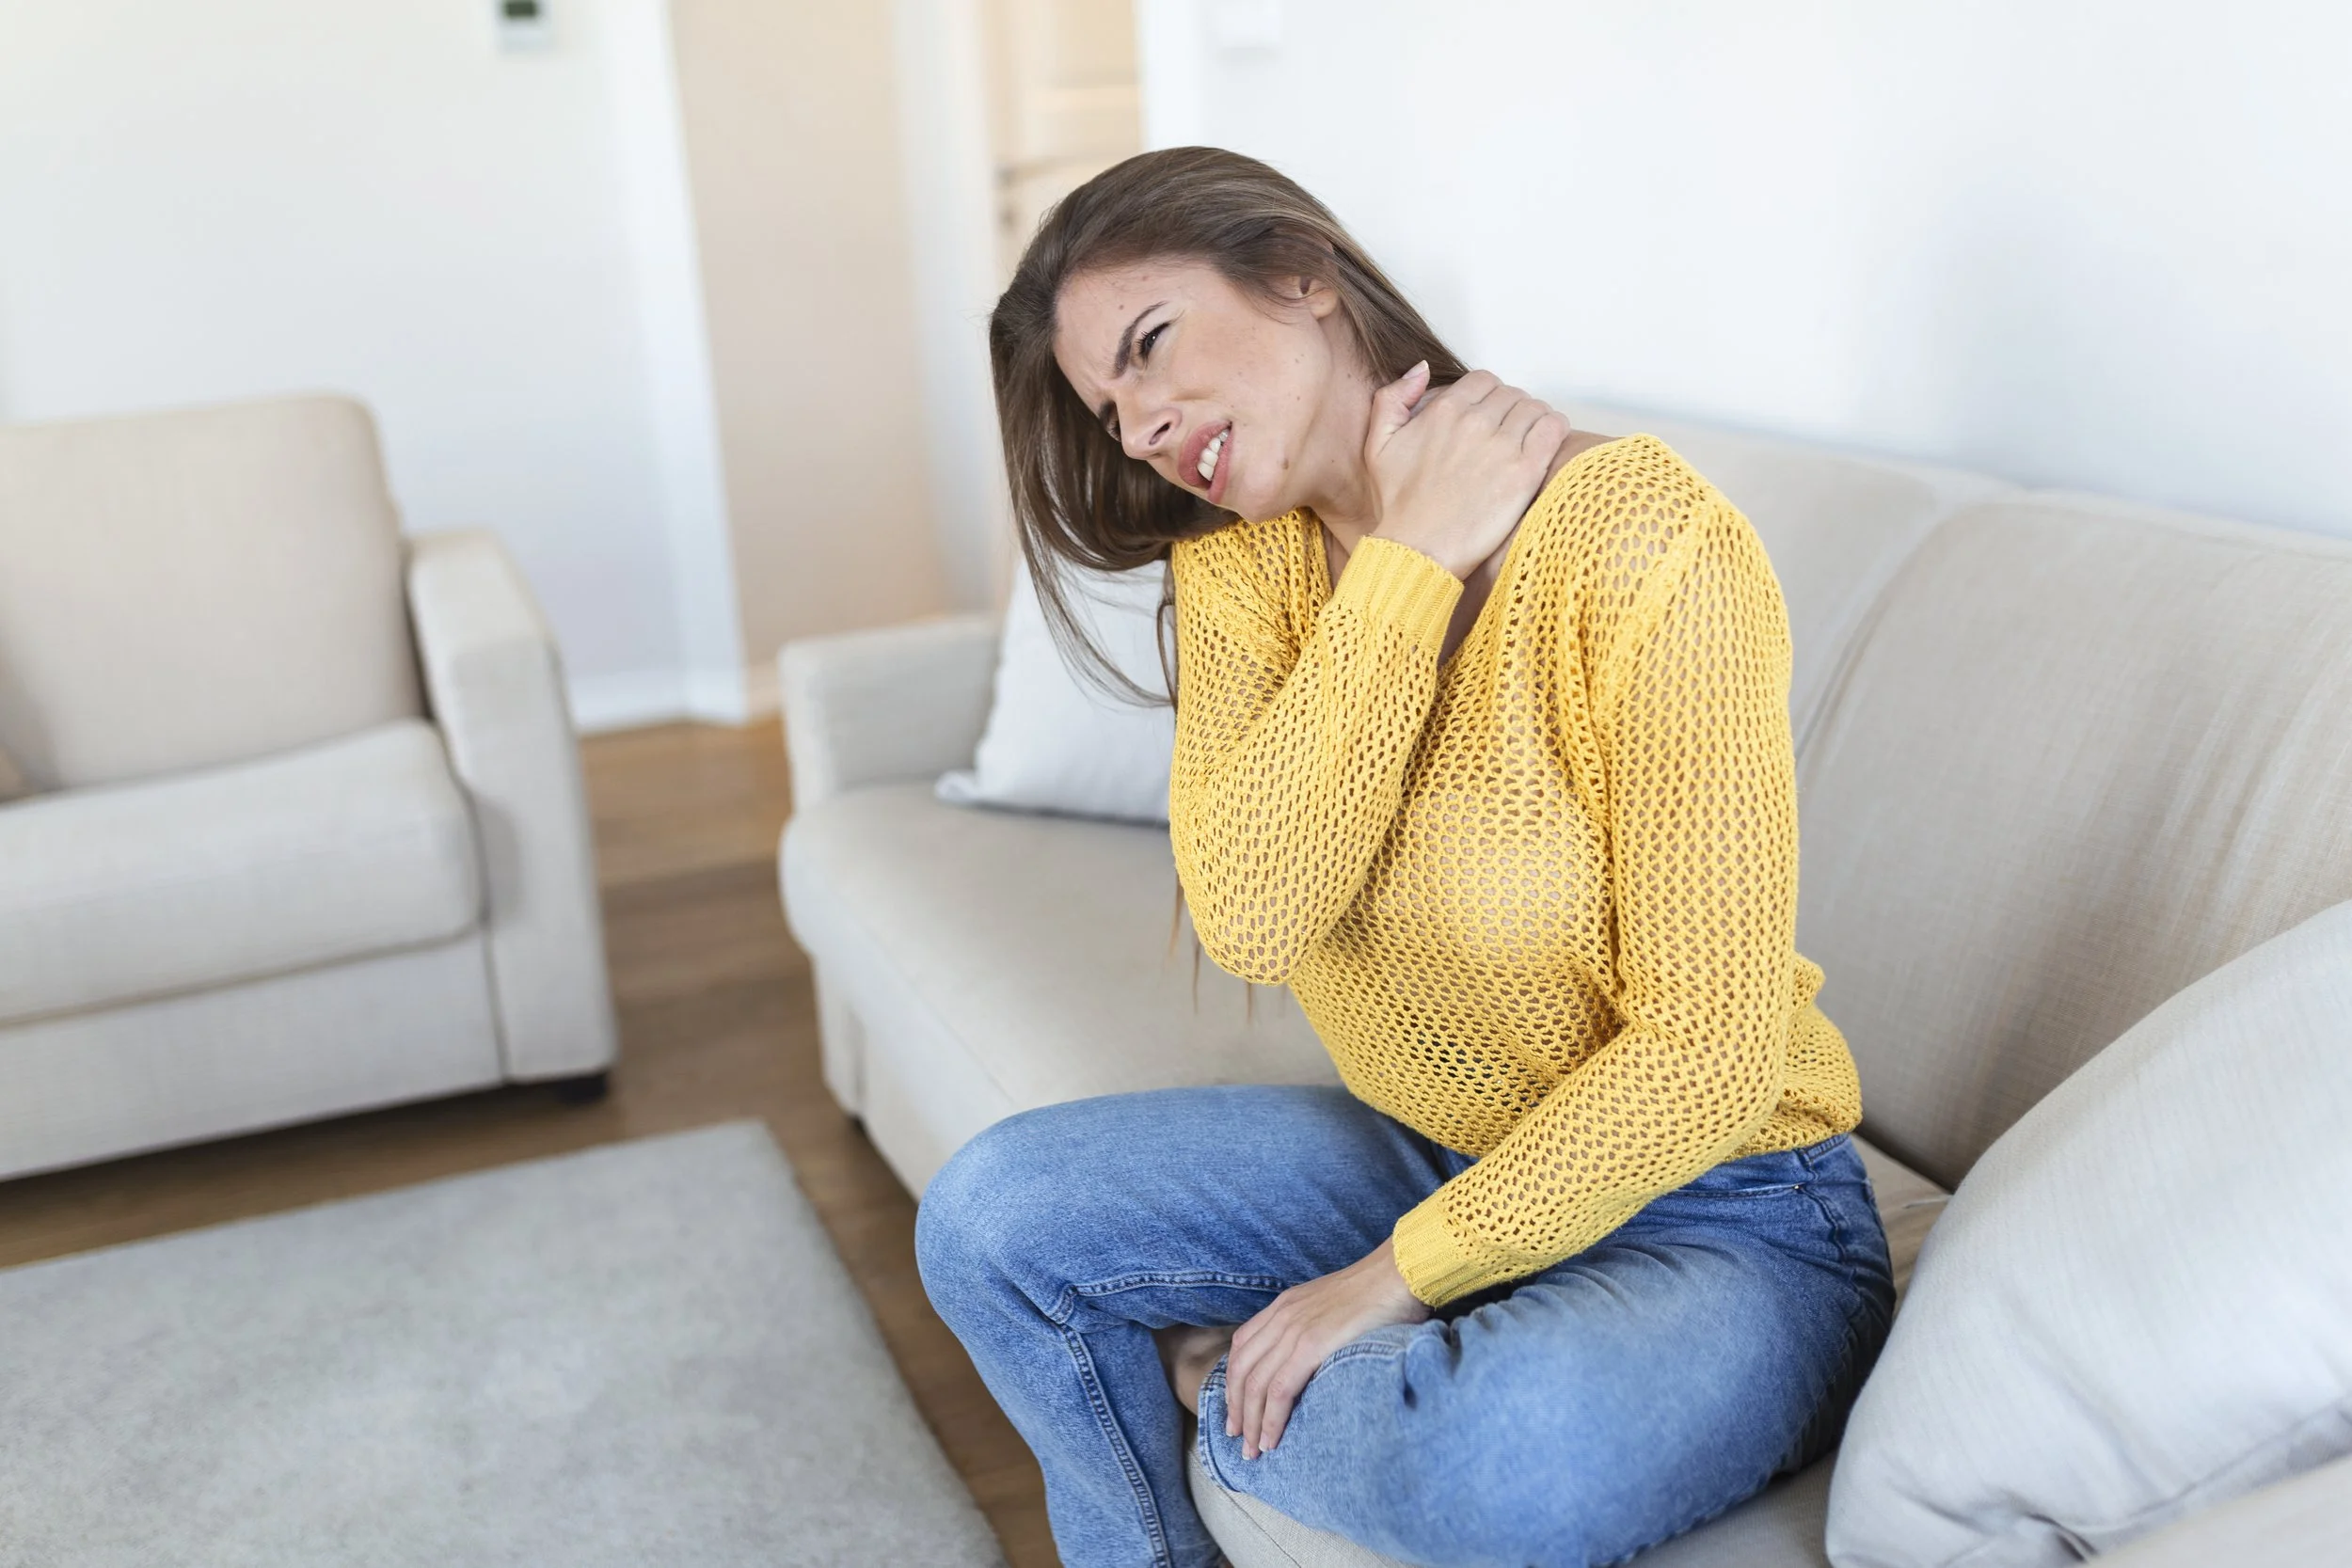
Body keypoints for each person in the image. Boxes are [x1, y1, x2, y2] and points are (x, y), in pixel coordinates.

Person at [913, 146, 1895, 1568]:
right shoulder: (1243, 565)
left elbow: (1711, 1044)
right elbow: (1252, 911)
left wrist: (1389, 1280)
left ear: (1301, 272)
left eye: (1150, 347)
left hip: (1726, 1202)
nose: (1137, 430)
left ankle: (1218, 1379)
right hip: (1435, 1145)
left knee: (1497, 1463)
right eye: (1109, 408)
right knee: (992, 1219)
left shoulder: (1640, 539)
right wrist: (1413, 557)